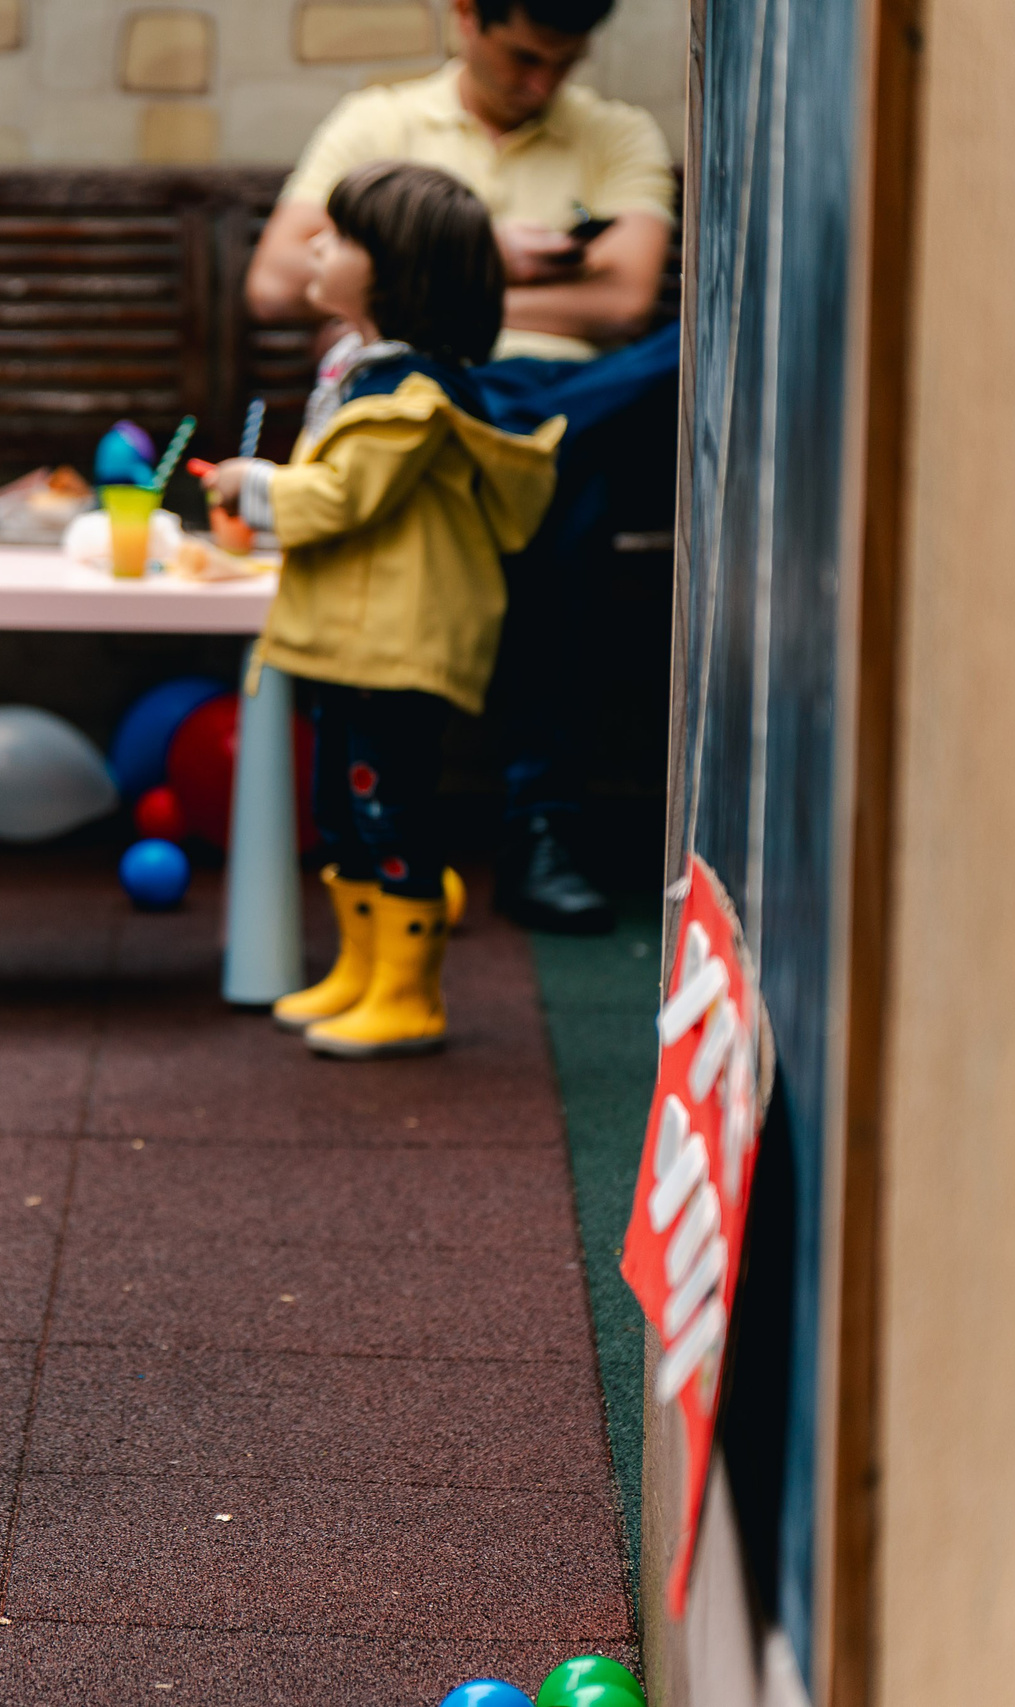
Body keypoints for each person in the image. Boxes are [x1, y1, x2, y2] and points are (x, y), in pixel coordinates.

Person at [246, 0, 678, 936]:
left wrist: (441, 279)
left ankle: (500, 439)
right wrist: (495, 257)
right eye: (523, 57)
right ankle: (542, 824)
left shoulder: (618, 134)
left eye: (564, 63)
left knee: (680, 355)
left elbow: (627, 304)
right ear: (466, 17)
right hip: (434, 395)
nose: (542, 83)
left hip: (566, 396)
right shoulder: (378, 122)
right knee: (559, 477)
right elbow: (277, 280)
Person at [210, 163, 562, 1059]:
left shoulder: (412, 394)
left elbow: (342, 497)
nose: (315, 246)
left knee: (388, 805)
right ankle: (362, 966)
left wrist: (254, 487)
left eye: (339, 238)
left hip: (395, 641)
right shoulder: (362, 371)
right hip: (353, 637)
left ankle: (408, 993)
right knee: (343, 804)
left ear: (395, 273)